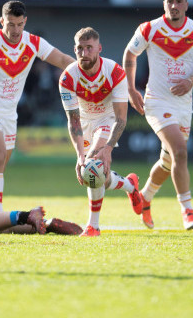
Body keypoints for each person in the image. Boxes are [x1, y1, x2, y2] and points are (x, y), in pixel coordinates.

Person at [0, 0, 75, 209]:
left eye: (19, 24)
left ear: (25, 21)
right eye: (11, 24)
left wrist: (90, 74)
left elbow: (63, 60)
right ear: (2, 22)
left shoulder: (33, 42)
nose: (16, 30)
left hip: (9, 115)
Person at [123, 0, 193, 230]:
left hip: (184, 106)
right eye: (169, 1)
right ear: (164, 4)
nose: (174, 5)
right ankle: (187, 210)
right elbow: (130, 54)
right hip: (157, 102)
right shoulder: (149, 28)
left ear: (186, 4)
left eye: (178, 1)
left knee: (168, 161)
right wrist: (131, 89)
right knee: (180, 152)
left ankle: (144, 197)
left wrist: (191, 81)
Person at [59, 27, 143, 237]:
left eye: (89, 48)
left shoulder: (115, 72)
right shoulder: (67, 78)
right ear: (75, 50)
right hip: (85, 121)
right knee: (98, 177)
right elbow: (74, 121)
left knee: (93, 163)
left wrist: (107, 148)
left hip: (108, 119)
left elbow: (121, 118)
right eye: (80, 48)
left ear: (99, 49)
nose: (84, 53)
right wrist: (79, 156)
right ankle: (129, 185)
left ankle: (93, 227)